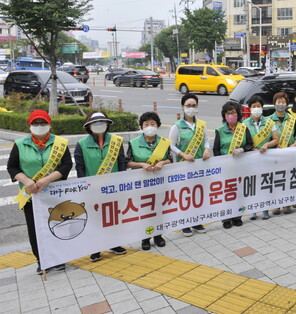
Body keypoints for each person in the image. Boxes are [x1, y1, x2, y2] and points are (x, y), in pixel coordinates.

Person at [7, 110, 72, 274]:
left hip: (55, 193)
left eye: (43, 123)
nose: (39, 126)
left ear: (49, 124)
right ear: (29, 126)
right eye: (35, 123)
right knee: (35, 228)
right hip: (32, 195)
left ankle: (59, 258)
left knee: (59, 225)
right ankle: (42, 259)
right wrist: (27, 181)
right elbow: (12, 167)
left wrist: (48, 179)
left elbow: (66, 165)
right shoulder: (20, 144)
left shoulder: (60, 143)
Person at [75, 111, 127, 262]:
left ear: (107, 124)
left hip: (113, 189)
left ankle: (114, 244)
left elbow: (121, 163)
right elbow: (80, 169)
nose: (98, 126)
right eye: (95, 123)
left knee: (113, 217)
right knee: (95, 219)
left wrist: (121, 183)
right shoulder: (81, 145)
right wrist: (86, 189)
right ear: (89, 126)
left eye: (102, 122)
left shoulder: (116, 141)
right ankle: (95, 248)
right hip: (93, 190)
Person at [126, 112, 172, 250]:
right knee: (144, 211)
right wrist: (142, 165)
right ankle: (145, 238)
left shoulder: (164, 142)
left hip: (160, 182)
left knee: (158, 209)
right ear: (141, 127)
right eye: (146, 124)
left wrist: (162, 162)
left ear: (157, 125)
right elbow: (127, 162)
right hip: (142, 184)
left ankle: (158, 235)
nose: (149, 127)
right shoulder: (133, 143)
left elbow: (171, 159)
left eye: (153, 124)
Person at [169, 93, 211, 236]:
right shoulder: (176, 126)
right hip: (183, 166)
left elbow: (206, 140)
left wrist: (206, 149)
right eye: (188, 106)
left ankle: (196, 221)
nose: (191, 108)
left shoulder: (201, 125)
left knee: (197, 194)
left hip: (199, 165)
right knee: (185, 196)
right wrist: (182, 154)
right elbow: (171, 146)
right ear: (182, 107)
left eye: (193, 106)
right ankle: (184, 224)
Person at [213, 101, 254, 227]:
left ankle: (237, 216)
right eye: (228, 113)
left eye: (233, 113)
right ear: (224, 116)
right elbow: (216, 149)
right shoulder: (220, 130)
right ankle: (226, 218)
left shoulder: (243, 128)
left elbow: (250, 144)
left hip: (240, 166)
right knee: (226, 193)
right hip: (226, 168)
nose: (231, 115)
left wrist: (242, 149)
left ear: (238, 115)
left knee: (239, 192)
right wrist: (222, 162)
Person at [244, 95, 278, 220]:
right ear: (249, 109)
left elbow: (276, 139)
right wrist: (252, 149)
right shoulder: (244, 124)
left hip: (265, 157)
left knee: (265, 183)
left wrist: (267, 145)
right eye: (254, 107)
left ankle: (265, 210)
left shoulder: (269, 122)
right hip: (251, 159)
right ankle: (253, 210)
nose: (256, 109)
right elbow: (243, 142)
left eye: (259, 106)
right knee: (252, 184)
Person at [270, 92, 296, 213]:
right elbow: (267, 138)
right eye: (278, 102)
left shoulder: (292, 119)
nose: (281, 104)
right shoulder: (269, 120)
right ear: (274, 103)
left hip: (289, 153)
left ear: (287, 104)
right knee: (276, 179)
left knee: (289, 178)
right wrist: (274, 145)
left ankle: (287, 204)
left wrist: (294, 144)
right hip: (275, 154)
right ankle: (276, 204)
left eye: (283, 102)